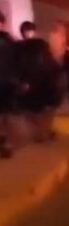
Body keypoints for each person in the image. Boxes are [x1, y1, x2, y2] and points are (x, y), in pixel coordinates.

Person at [15, 21, 62, 142]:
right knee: (39, 111)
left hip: (35, 84)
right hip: (38, 83)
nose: (27, 34)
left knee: (36, 111)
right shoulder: (38, 46)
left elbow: (49, 64)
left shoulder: (23, 47)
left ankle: (42, 134)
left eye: (28, 31)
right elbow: (51, 64)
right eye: (26, 31)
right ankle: (43, 133)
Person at [0, 12, 17, 158]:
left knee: (6, 114)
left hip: (6, 83)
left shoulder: (8, 41)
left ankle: (6, 143)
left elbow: (17, 61)